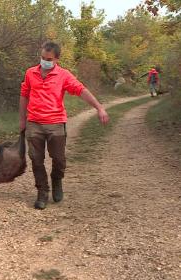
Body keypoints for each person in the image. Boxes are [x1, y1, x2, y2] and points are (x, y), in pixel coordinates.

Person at [19, 42, 109, 210]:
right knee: (36, 160)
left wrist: (99, 107)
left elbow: (81, 90)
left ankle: (57, 180)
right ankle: (42, 192)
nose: (44, 61)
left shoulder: (64, 75)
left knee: (59, 160)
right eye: (42, 58)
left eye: (49, 59)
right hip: (34, 123)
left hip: (56, 123)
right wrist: (22, 120)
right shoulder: (30, 73)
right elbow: (24, 95)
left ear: (56, 59)